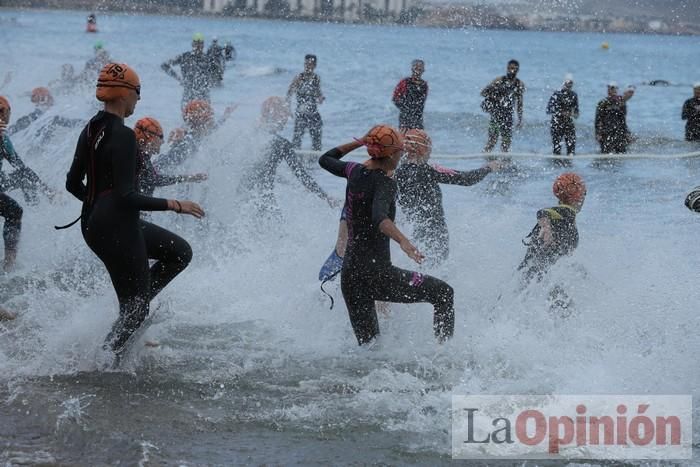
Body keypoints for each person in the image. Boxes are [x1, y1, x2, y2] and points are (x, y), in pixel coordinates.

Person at [64, 63, 205, 360]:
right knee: (138, 307)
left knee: (179, 252)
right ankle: (105, 361)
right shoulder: (124, 136)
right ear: (124, 94)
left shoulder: (90, 128)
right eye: (138, 93)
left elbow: (72, 183)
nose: (139, 100)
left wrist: (96, 205)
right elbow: (127, 195)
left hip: (96, 224)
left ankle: (128, 318)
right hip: (117, 224)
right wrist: (176, 205)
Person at [318, 126, 455, 345]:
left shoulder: (353, 170)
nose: (402, 156)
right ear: (391, 154)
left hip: (351, 277)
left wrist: (360, 141)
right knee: (444, 293)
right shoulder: (385, 182)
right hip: (378, 275)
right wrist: (404, 241)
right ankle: (445, 354)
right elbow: (380, 218)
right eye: (401, 151)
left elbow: (326, 159)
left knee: (370, 348)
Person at [395, 129, 499, 263]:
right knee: (437, 268)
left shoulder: (395, 173)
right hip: (435, 231)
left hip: (410, 231)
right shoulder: (429, 171)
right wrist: (488, 167)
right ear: (423, 150)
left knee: (415, 268)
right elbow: (466, 179)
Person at [242, 96, 335, 217]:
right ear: (275, 114)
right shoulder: (281, 144)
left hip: (242, 195)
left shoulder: (249, 134)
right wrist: (325, 197)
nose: (286, 119)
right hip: (263, 198)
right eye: (284, 114)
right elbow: (301, 175)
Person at [0, 96, 53, 271]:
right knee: (14, 211)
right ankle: (9, 264)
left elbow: (19, 165)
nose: (4, 116)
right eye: (3, 112)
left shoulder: (3, 137)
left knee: (24, 177)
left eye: (4, 112)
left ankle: (40, 203)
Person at [518, 173, 586, 286]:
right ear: (579, 196)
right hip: (539, 276)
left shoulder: (561, 217)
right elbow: (544, 212)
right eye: (584, 193)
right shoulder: (566, 212)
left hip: (529, 274)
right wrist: (546, 225)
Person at [134, 117, 207, 197]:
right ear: (150, 137)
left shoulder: (138, 155)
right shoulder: (140, 158)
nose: (163, 141)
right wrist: (174, 205)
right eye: (161, 137)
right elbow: (155, 180)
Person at [154, 99, 235, 171]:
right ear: (202, 121)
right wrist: (177, 141)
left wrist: (225, 116)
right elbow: (173, 160)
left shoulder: (198, 135)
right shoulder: (189, 140)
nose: (212, 119)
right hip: (159, 167)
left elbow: (213, 129)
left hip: (160, 165)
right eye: (210, 117)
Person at [481, 59, 525, 153]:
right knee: (492, 141)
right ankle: (483, 159)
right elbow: (483, 92)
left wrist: (520, 119)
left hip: (508, 116)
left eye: (513, 69)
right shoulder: (499, 80)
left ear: (517, 70)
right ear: (507, 68)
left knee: (506, 144)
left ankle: (504, 163)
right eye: (509, 68)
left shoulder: (519, 84)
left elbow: (519, 103)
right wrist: (496, 96)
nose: (511, 70)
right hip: (496, 115)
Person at [161, 33, 214, 106]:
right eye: (196, 44)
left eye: (200, 44)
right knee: (188, 115)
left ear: (203, 45)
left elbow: (216, 73)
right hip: (189, 95)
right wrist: (179, 79)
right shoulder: (185, 57)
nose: (198, 46)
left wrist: (210, 82)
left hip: (203, 95)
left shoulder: (207, 59)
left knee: (204, 115)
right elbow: (164, 65)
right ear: (192, 44)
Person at [8, 87, 82, 137]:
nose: (52, 100)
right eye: (49, 97)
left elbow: (12, 130)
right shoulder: (49, 117)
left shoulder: (34, 116)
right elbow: (70, 123)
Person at [287, 54, 324, 151]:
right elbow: (289, 94)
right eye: (306, 64)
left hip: (313, 113)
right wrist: (288, 110)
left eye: (311, 64)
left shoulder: (316, 78)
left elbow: (317, 92)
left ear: (315, 65)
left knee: (317, 142)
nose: (308, 66)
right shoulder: (299, 78)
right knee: (296, 141)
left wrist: (320, 97)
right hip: (301, 113)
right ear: (304, 64)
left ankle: (315, 162)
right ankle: (295, 160)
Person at [595, 82, 634, 154]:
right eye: (612, 88)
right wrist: (598, 133)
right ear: (608, 90)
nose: (614, 90)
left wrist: (627, 133)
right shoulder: (603, 103)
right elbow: (598, 119)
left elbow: (623, 120)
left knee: (621, 153)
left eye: (616, 88)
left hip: (619, 133)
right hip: (606, 133)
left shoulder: (621, 103)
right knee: (606, 154)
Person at [546, 74, 579, 156]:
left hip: (568, 124)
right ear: (563, 83)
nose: (569, 85)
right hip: (557, 123)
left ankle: (570, 166)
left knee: (571, 150)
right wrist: (560, 112)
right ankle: (557, 166)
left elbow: (577, 113)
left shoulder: (574, 95)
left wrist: (572, 114)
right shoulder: (557, 94)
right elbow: (548, 110)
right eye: (567, 82)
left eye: (571, 83)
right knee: (557, 149)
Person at [392, 59, 429, 131]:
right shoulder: (404, 82)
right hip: (405, 118)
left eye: (420, 68)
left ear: (423, 70)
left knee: (417, 138)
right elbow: (395, 98)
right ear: (412, 69)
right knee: (404, 137)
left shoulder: (424, 85)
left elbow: (422, 102)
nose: (418, 70)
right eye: (416, 68)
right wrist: (405, 108)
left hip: (418, 119)